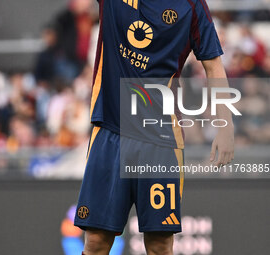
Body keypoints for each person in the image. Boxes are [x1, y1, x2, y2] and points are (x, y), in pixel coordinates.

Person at [74, 0, 234, 255]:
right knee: (96, 241)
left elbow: (212, 63)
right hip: (110, 131)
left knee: (160, 244)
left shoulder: (191, 4)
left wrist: (225, 127)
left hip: (162, 140)